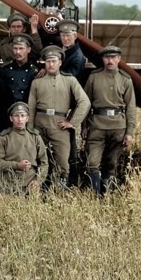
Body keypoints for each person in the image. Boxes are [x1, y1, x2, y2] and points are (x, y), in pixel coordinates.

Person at [27, 46, 90, 189]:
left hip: (59, 126)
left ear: (60, 63)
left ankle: (61, 191)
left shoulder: (70, 81)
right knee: (38, 159)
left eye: (54, 61)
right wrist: (30, 129)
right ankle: (39, 189)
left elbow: (84, 102)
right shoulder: (37, 82)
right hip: (40, 125)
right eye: (48, 61)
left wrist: (72, 122)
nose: (50, 64)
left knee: (62, 162)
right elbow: (30, 107)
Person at [83, 45, 137, 195]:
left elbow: (131, 107)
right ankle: (95, 193)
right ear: (103, 59)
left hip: (118, 126)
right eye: (107, 57)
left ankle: (106, 193)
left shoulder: (126, 79)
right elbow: (85, 103)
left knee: (111, 163)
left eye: (113, 57)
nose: (110, 60)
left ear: (119, 59)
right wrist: (84, 126)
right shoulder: (94, 77)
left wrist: (130, 132)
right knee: (92, 162)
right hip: (97, 125)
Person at [0, 102, 48, 195]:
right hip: (9, 184)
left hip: (30, 184)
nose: (20, 119)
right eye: (16, 116)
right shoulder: (4, 137)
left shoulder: (35, 137)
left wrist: (37, 181)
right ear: (11, 118)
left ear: (27, 118)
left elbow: (44, 163)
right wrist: (17, 165)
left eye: (23, 116)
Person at [0, 34, 38, 104]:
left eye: (21, 48)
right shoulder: (5, 70)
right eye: (15, 48)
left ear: (28, 50)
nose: (17, 52)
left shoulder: (34, 71)